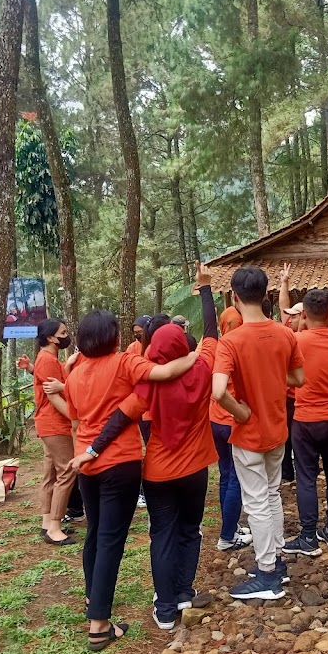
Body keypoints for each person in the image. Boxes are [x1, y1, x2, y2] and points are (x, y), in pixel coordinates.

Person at [61, 310, 197, 651]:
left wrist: (86, 449)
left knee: (94, 534)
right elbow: (165, 372)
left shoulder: (75, 374)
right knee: (110, 541)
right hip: (119, 463)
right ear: (113, 338)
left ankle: (93, 601)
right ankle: (98, 625)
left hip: (87, 463)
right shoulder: (123, 363)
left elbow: (75, 421)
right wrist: (198, 353)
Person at [134, 264, 220, 631]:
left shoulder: (144, 376)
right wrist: (204, 290)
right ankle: (184, 591)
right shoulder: (201, 368)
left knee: (162, 534)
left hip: (156, 472)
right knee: (190, 529)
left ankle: (166, 608)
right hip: (195, 469)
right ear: (185, 346)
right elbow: (212, 333)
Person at [212, 266, 304, 600]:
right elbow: (298, 378)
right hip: (278, 428)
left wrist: (241, 411)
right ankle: (275, 558)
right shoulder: (285, 333)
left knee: (257, 502)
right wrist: (272, 379)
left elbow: (218, 390)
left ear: (235, 297)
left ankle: (267, 573)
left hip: (250, 433)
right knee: (272, 493)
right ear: (265, 295)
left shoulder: (230, 342)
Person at [283, 289, 328, 555]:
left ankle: (308, 536)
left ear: (303, 314)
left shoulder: (294, 340)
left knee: (306, 478)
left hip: (306, 419)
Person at [209, 303, 253, 553]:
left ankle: (231, 526)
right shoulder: (239, 348)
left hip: (215, 419)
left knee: (226, 474)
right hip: (231, 420)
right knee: (235, 477)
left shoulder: (217, 348)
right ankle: (227, 536)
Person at [32, 319, 79, 545]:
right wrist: (75, 417)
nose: (66, 335)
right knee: (67, 471)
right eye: (63, 333)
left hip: (49, 424)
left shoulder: (48, 359)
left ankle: (47, 521)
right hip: (54, 424)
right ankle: (55, 526)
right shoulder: (47, 360)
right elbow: (53, 396)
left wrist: (68, 366)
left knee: (50, 473)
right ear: (50, 338)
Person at [279, 300, 304, 482]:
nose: (290, 319)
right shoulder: (290, 336)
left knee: (298, 438)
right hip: (289, 397)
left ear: (304, 316)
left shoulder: (296, 339)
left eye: (294, 315)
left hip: (300, 398)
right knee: (287, 436)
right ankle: (288, 470)